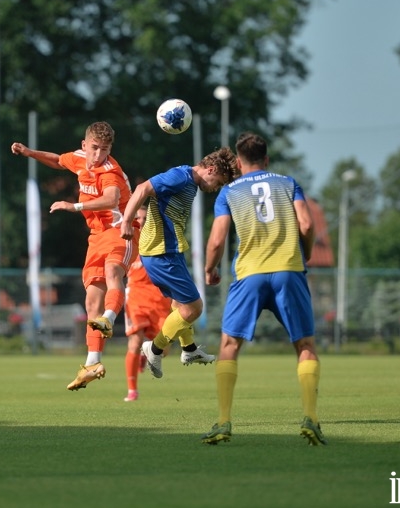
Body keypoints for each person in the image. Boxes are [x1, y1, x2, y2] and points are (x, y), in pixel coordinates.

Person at [202, 132, 325, 446]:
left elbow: (217, 239)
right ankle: (310, 416)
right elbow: (308, 225)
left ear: (240, 163)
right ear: (266, 159)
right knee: (305, 344)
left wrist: (209, 268)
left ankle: (223, 421)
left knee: (230, 344)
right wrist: (306, 252)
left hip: (251, 274)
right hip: (289, 269)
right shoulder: (288, 183)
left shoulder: (229, 191)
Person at [11, 121, 137, 391]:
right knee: (92, 300)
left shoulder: (110, 171)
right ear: (84, 145)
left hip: (120, 231)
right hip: (96, 237)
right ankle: (93, 363)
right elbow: (58, 160)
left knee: (114, 273)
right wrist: (29, 152)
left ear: (109, 149)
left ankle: (110, 319)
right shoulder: (79, 159)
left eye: (104, 149)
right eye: (94, 148)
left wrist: (74, 205)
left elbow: (112, 199)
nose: (98, 154)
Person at [119, 148, 239, 379]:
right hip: (161, 252)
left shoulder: (188, 182)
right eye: (218, 182)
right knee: (194, 308)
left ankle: (189, 349)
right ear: (211, 169)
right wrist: (126, 221)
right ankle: (154, 349)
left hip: (169, 252)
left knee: (179, 304)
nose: (216, 188)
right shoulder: (180, 177)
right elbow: (143, 188)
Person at [122, 205, 172, 402]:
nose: (141, 222)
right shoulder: (128, 239)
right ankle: (132, 389)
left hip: (160, 298)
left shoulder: (162, 240)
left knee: (164, 349)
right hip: (136, 296)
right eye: (138, 218)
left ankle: (147, 354)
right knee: (134, 341)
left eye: (144, 218)